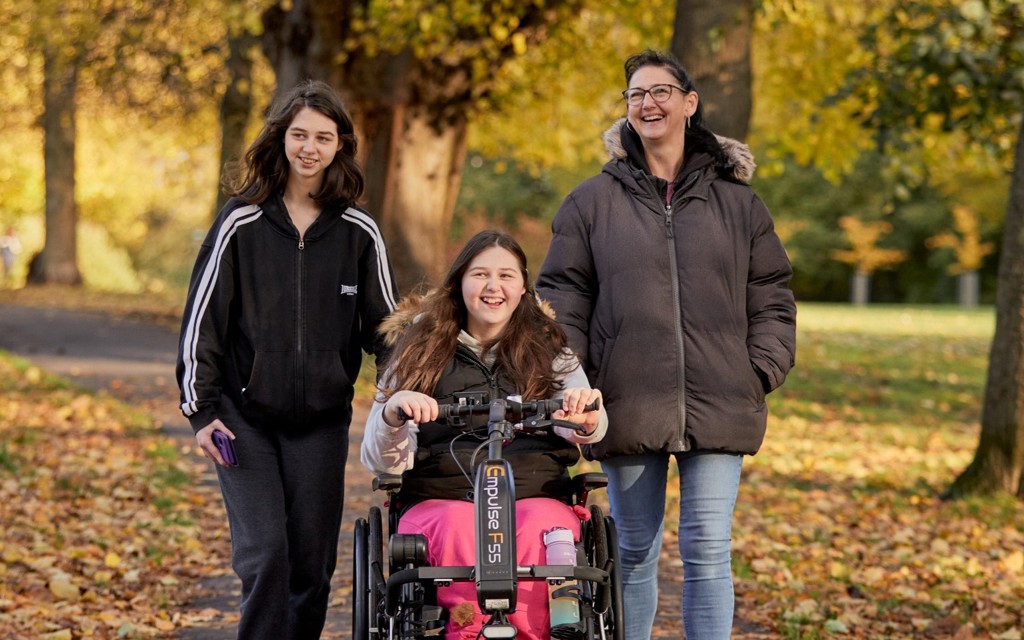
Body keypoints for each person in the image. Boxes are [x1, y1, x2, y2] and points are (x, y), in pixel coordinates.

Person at [535, 50, 797, 640]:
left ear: (688, 102)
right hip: (626, 399)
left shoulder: (739, 203)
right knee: (634, 551)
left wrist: (759, 369)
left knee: (708, 550)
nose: (647, 103)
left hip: (722, 395)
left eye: (659, 91)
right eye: (635, 95)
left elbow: (772, 293)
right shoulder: (589, 203)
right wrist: (575, 380)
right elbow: (561, 297)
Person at [176, 79, 399, 640]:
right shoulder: (240, 223)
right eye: (299, 134)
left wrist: (403, 387)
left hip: (320, 426)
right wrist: (201, 413)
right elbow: (201, 322)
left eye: (323, 137)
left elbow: (388, 329)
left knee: (310, 568)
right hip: (242, 420)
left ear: (340, 146)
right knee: (266, 557)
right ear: (280, 139)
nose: (310, 148)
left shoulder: (358, 232)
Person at [361, 229, 607, 640]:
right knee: (458, 527)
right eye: (480, 274)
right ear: (459, 283)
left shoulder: (550, 349)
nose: (494, 287)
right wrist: (394, 413)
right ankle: (466, 631)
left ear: (523, 288)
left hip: (535, 492)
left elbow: (589, 427)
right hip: (442, 495)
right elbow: (380, 458)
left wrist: (584, 419)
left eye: (507, 276)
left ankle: (539, 630)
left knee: (544, 525)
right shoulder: (419, 349)